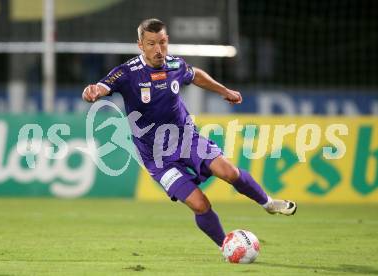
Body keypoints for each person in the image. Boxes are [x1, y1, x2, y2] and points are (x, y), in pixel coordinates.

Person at [82, 18, 297, 248]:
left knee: (229, 172)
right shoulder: (127, 73)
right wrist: (93, 91)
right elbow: (102, 87)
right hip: (158, 159)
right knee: (199, 204)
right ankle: (227, 246)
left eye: (162, 43)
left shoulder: (175, 65)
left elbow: (196, 75)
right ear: (140, 46)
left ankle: (268, 203)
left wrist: (224, 91)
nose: (158, 49)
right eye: (152, 44)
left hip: (188, 140)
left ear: (168, 41)